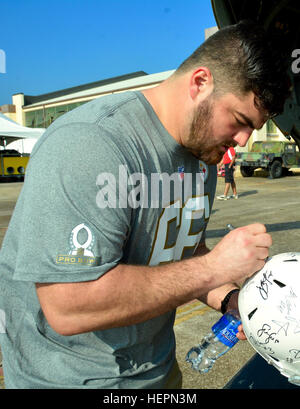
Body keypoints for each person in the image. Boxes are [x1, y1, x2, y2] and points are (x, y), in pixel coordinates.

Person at [0, 20, 290, 389]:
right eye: (239, 121)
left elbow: (179, 252)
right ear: (200, 83)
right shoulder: (92, 144)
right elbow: (68, 305)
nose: (244, 141)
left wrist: (230, 299)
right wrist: (217, 267)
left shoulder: (203, 158)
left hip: (156, 373)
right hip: (67, 380)